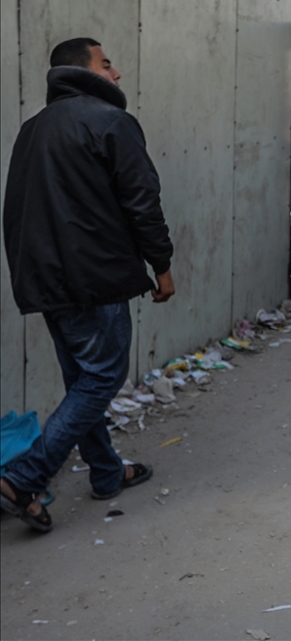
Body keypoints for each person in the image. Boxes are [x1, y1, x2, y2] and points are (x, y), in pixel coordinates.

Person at [1, 38, 172, 532]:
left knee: (83, 381)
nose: (116, 74)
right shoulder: (110, 121)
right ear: (83, 70)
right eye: (107, 64)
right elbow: (142, 200)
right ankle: (24, 478)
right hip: (94, 277)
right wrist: (161, 265)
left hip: (46, 280)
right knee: (101, 379)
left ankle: (105, 472)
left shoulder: (33, 129)